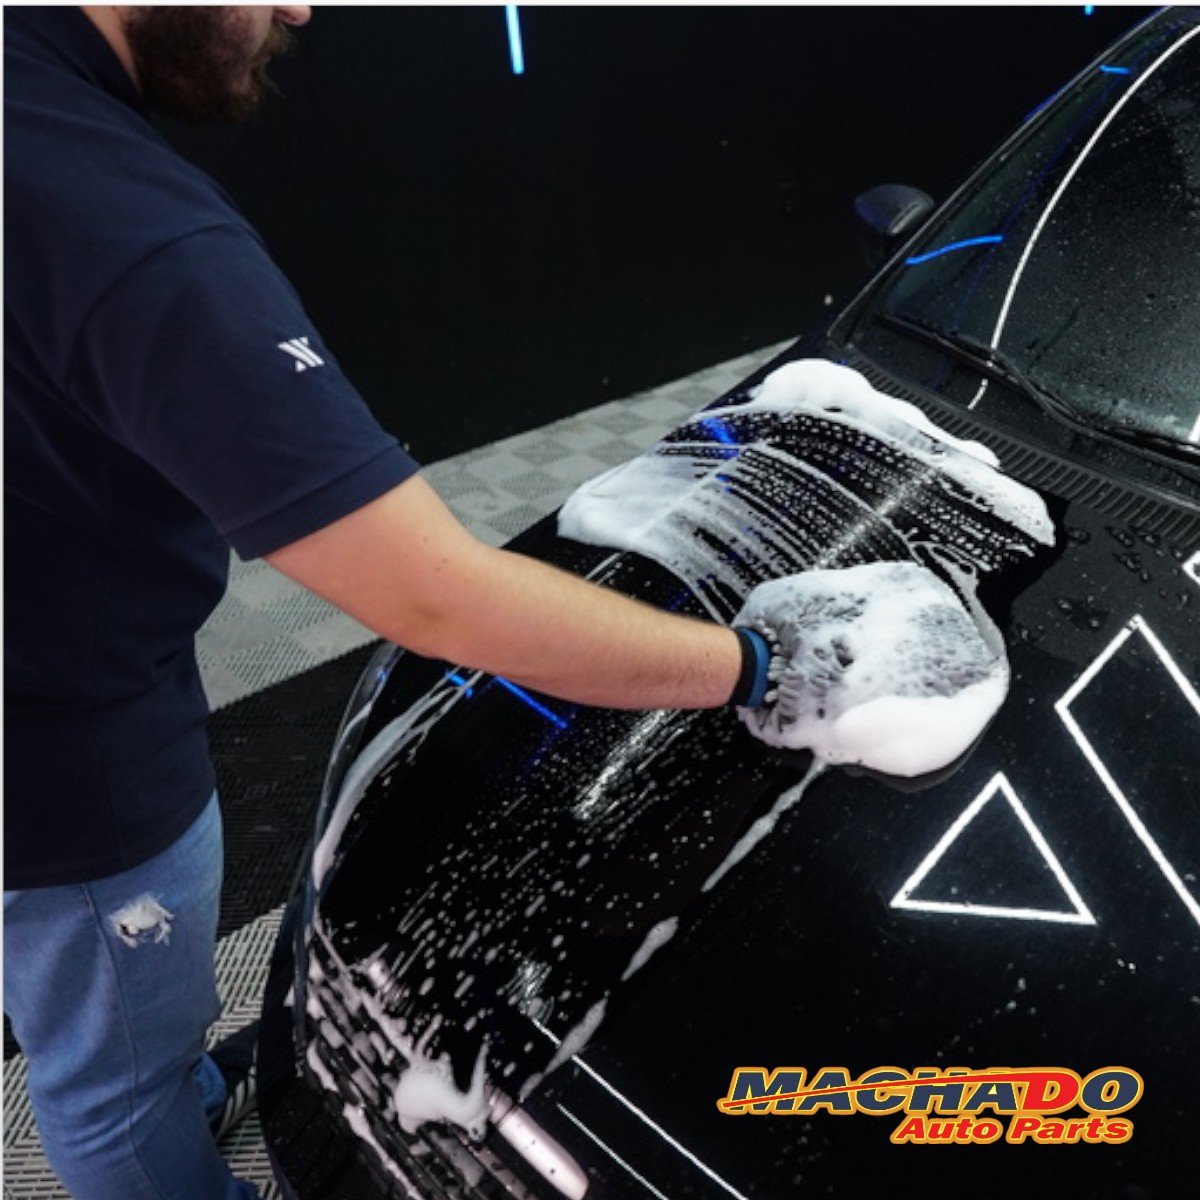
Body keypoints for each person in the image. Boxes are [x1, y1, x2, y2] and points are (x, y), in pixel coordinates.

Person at [3, 8, 768, 1198]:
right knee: (108, 1090)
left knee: (104, 1016)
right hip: (63, 760)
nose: (300, 11)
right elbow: (438, 600)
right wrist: (754, 666)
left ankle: (161, 1072)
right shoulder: (134, 231)